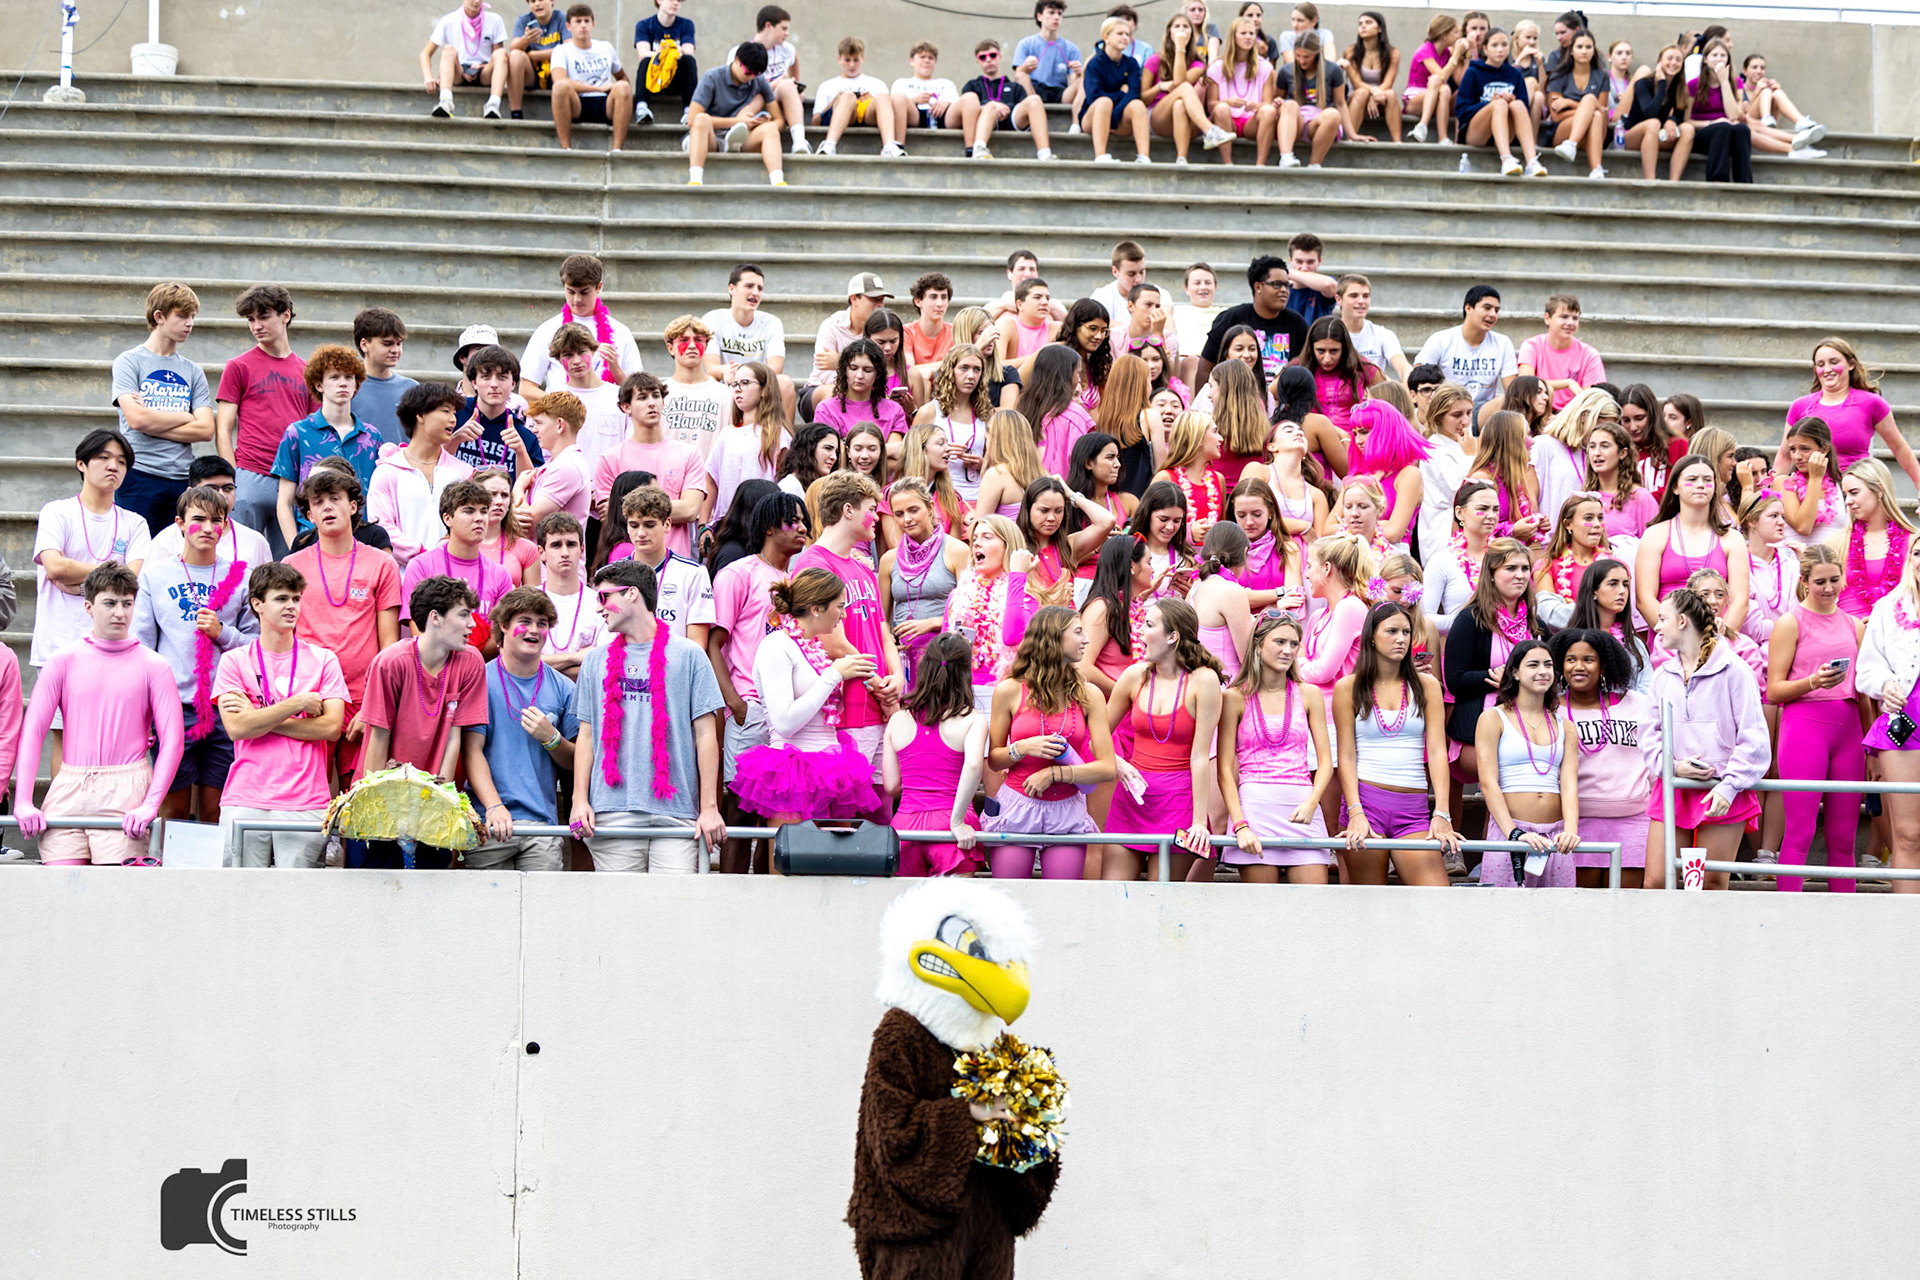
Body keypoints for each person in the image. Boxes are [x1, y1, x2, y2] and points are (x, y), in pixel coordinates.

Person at [14, 565, 183, 866]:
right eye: (110, 603)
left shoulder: (154, 665)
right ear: (89, 607)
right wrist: (23, 800)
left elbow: (173, 740)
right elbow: (34, 730)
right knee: (62, 885)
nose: (120, 612)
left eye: (127, 603)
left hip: (127, 787)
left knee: (114, 891)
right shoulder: (62, 661)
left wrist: (150, 804)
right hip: (69, 785)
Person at [570, 559, 728, 871]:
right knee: (621, 904)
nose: (599, 608)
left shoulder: (690, 655)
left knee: (673, 902)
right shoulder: (595, 661)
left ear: (631, 594)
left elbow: (706, 735)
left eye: (604, 597)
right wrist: (578, 800)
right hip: (612, 812)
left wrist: (709, 807)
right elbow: (586, 736)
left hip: (677, 814)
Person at [134, 483, 259, 824]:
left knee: (216, 810)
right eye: (198, 519)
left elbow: (255, 645)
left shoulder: (242, 576)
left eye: (216, 520)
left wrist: (222, 633)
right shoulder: (156, 576)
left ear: (225, 526)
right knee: (172, 809)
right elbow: (142, 648)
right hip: (172, 706)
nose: (207, 528)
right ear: (179, 523)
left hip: (226, 705)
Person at [212, 563, 348, 868]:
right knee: (242, 891)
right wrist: (295, 704)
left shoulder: (324, 659)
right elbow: (236, 728)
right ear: (257, 604)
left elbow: (331, 727)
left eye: (296, 599)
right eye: (281, 598)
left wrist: (258, 718)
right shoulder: (234, 661)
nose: (291, 606)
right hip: (245, 797)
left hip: (305, 798)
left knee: (298, 893)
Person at [1641, 586, 1770, 890]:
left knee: (1710, 885)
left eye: (1663, 619)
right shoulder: (1662, 675)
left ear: (1682, 621)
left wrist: (1729, 787)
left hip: (1722, 789)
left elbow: (1754, 738)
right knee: (1656, 882)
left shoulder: (1735, 670)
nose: (1656, 627)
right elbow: (1648, 734)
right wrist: (1673, 767)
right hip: (1674, 787)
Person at [279, 469, 402, 783]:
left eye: (335, 499)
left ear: (353, 506)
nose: (327, 507)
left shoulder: (382, 564)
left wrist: (374, 706)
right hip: (309, 697)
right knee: (309, 792)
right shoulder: (291, 567)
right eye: (318, 502)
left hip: (362, 698)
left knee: (359, 796)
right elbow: (282, 638)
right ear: (309, 515)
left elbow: (389, 644)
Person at [980, 606, 1117, 879]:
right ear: (1053, 638)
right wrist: (1022, 748)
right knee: (1010, 897)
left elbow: (1107, 767)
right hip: (1018, 807)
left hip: (1067, 810)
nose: (1086, 640)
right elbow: (994, 759)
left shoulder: (1089, 694)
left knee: (1062, 899)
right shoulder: (1009, 690)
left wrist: (1054, 774)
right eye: (1078, 632)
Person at [456, 588, 580, 872]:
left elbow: (576, 760)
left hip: (542, 827)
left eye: (542, 623)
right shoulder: (480, 680)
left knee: (544, 901)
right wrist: (494, 806)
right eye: (525, 621)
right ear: (503, 625)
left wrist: (552, 738)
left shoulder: (564, 687)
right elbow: (471, 751)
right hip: (489, 821)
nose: (534, 630)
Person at [1758, 545, 1860, 891]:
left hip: (1849, 730)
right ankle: (1789, 912)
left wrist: (1871, 748)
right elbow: (1774, 690)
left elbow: (1863, 693)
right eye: (1820, 582)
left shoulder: (1854, 625)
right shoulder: (1790, 622)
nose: (1829, 588)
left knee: (1843, 838)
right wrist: (1813, 681)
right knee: (1799, 832)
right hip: (1804, 727)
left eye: (1834, 579)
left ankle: (1844, 913)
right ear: (1804, 582)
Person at [1334, 601, 1457, 885]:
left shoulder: (1427, 685)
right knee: (1371, 901)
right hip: (1365, 803)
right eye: (1392, 631)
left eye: (1406, 632)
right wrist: (1355, 812)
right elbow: (1347, 755)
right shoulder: (1348, 687)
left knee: (1437, 899)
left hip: (1413, 809)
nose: (1401, 639)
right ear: (1371, 637)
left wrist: (1442, 812)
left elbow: (1437, 752)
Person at [1101, 598, 1223, 882]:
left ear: (1172, 636)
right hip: (1131, 799)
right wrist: (1118, 763)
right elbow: (1096, 736)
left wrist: (1198, 822)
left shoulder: (1203, 680)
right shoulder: (1134, 676)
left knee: (1162, 896)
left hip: (1178, 803)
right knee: (1114, 894)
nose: (1140, 632)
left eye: (1148, 625)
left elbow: (1200, 756)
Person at [1217, 610, 1333, 881]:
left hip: (1302, 807)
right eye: (1280, 642)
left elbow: (1326, 762)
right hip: (1255, 811)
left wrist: (1312, 802)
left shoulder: (1309, 693)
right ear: (1258, 644)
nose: (1288, 650)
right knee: (1262, 904)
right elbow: (1224, 770)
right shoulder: (1234, 697)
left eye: (1294, 644)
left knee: (1313, 902)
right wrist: (1240, 824)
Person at [32, 430, 151, 672]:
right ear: (81, 464)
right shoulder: (56, 512)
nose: (113, 466)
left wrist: (82, 586)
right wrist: (114, 573)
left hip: (113, 649)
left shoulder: (135, 523)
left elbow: (131, 580)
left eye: (121, 462)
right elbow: (55, 567)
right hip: (58, 647)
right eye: (103, 458)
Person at [217, 284, 317, 558]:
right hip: (250, 474)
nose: (256, 326)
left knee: (288, 563)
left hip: (291, 479)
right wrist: (232, 478)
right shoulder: (238, 366)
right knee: (237, 559)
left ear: (285, 315)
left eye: (263, 317)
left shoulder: (307, 371)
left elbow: (312, 430)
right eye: (251, 319)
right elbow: (223, 428)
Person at [1470, 638, 1579, 886]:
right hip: (1511, 831)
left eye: (1548, 665)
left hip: (1556, 837)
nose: (1543, 671)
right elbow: (1488, 783)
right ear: (1515, 672)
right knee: (1505, 906)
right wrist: (1513, 832)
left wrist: (1570, 830)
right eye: (1533, 665)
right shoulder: (1492, 717)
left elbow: (1569, 785)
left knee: (1558, 907)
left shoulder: (1566, 725)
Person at [878, 633, 987, 877]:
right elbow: (973, 766)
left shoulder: (898, 720)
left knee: (909, 902)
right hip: (951, 826)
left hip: (906, 827)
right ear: (965, 673)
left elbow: (891, 786)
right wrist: (957, 821)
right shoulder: (972, 719)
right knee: (956, 902)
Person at [111, 282, 217, 533]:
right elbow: (136, 420)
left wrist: (151, 422)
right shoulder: (129, 362)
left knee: (177, 552)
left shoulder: (193, 371)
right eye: (182, 316)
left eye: (192, 316)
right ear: (159, 316)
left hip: (182, 478)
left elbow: (205, 430)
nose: (190, 323)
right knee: (135, 550)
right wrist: (185, 416)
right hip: (138, 474)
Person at [1444, 536, 1541, 787]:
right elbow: (1454, 679)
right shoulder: (1470, 619)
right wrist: (1500, 678)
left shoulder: (1534, 623)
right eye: (1511, 568)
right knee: (1514, 772)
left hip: (1527, 722)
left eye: (1525, 568)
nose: (1520, 575)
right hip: (1480, 726)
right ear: (1491, 574)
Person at [269, 344, 385, 550]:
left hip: (362, 538)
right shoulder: (297, 433)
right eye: (334, 377)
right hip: (313, 537)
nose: (343, 383)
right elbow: (284, 501)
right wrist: (296, 547)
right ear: (319, 385)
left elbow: (380, 495)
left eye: (349, 377)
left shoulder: (372, 436)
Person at [1855, 535, 1920, 895]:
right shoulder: (1886, 608)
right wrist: (1886, 684)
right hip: (1905, 725)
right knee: (1908, 834)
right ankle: (1907, 922)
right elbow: (1866, 670)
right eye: (1918, 552)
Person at [591, 372, 710, 558]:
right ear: (626, 406)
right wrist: (672, 507)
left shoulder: (689, 454)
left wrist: (629, 508)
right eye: (642, 397)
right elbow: (612, 518)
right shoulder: (610, 459)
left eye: (656, 395)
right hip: (629, 562)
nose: (652, 403)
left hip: (677, 561)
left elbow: (690, 510)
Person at [1634, 453, 1750, 633]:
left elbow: (1740, 602)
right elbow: (1644, 599)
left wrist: (1715, 639)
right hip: (1668, 637)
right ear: (1675, 487)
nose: (1701, 485)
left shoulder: (1732, 538)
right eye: (1692, 479)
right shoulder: (1655, 535)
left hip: (1718, 637)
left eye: (1707, 480)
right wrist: (1679, 635)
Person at [1782, 338, 1918, 488]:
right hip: (1811, 491)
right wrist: (1770, 493)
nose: (1827, 369)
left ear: (1851, 364)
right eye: (1821, 364)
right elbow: (1785, 455)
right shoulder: (1800, 406)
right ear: (1815, 369)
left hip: (1855, 490)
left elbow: (1899, 448)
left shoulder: (1872, 403)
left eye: (1834, 362)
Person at [401, 479, 518, 646]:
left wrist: (469, 658)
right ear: (448, 518)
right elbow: (419, 629)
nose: (479, 518)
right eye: (469, 511)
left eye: (484, 511)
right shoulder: (421, 566)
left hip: (482, 660)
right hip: (434, 659)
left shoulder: (500, 574)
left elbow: (501, 634)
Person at [519, 255, 645, 398]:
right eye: (571, 292)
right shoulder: (548, 330)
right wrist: (562, 405)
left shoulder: (620, 332)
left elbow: (638, 393)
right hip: (562, 411)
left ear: (599, 287)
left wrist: (615, 370)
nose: (577, 299)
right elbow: (526, 388)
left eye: (584, 292)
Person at [685, 40, 788, 186]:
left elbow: (780, 121)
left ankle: (778, 181)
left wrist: (760, 123)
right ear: (737, 60)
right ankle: (695, 179)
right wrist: (737, 121)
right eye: (748, 72)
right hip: (713, 137)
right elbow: (692, 119)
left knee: (770, 129)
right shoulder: (712, 78)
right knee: (701, 119)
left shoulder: (758, 81)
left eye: (757, 74)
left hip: (742, 138)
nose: (751, 77)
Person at [1198, 256, 1310, 388]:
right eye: (1277, 284)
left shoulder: (1296, 323)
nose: (1284, 290)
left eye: (1287, 285)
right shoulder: (1232, 319)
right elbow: (1206, 368)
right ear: (1258, 287)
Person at [1454, 27, 1546, 178]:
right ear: (1485, 49)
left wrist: (1512, 101)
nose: (1500, 49)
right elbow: (1461, 111)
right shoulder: (1473, 72)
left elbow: (1524, 110)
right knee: (1499, 104)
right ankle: (1506, 160)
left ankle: (1532, 162)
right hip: (1477, 133)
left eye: (1504, 45)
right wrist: (1489, 104)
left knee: (1517, 104)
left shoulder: (1515, 74)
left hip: (1506, 132)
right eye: (1494, 45)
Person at [1296, 532, 1373, 708]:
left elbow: (1324, 672)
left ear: (1327, 568)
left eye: (1309, 566)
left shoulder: (1350, 607)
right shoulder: (1317, 616)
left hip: (1336, 711)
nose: (1306, 575)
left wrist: (1295, 663)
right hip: (1311, 707)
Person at [1415, 285, 1517, 418]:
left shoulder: (1503, 343)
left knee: (1509, 400)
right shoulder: (1441, 339)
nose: (1493, 314)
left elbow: (1512, 390)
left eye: (1496, 310)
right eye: (1487, 308)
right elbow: (1417, 377)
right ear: (1468, 308)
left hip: (1482, 411)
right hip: (1447, 407)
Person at [1838, 459, 1916, 621]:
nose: (1847, 501)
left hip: (1894, 627)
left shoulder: (1913, 540)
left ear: (1879, 490)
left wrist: (1879, 622)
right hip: (1847, 628)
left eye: (1854, 492)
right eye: (1845, 495)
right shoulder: (1840, 540)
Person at [549, 4, 634, 151]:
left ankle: (617, 150)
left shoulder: (605, 47)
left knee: (624, 87)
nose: (583, 25)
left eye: (587, 21)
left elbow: (623, 78)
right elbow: (559, 79)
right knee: (559, 87)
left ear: (593, 24)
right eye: (578, 21)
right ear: (569, 26)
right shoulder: (561, 50)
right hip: (577, 103)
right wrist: (597, 88)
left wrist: (616, 87)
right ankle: (566, 148)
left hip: (605, 104)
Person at [956, 39, 1056, 161]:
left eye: (993, 55)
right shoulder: (972, 85)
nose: (988, 60)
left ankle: (1044, 153)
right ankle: (979, 149)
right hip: (984, 120)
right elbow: (968, 112)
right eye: (983, 57)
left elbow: (1024, 110)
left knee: (1034, 100)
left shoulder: (1015, 87)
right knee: (990, 107)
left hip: (1011, 118)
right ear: (978, 61)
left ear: (1000, 57)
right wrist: (992, 106)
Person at [455, 345, 543, 481]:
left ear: (513, 384)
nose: (494, 384)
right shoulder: (454, 415)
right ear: (474, 383)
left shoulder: (525, 437)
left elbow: (533, 486)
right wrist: (455, 440)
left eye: (502, 377)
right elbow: (429, 460)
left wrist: (520, 451)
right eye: (486, 377)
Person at [1422, 479, 1499, 631]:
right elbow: (1424, 618)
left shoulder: (1505, 556)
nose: (1491, 515)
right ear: (1459, 513)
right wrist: (1471, 623)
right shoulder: (1442, 560)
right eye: (1483, 509)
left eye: (1495, 509)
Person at [655, 315, 732, 463]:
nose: (692, 345)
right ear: (670, 348)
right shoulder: (658, 394)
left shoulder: (724, 394)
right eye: (684, 340)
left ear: (706, 346)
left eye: (698, 340)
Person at [810, 36, 903, 159]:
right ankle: (829, 144)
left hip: (868, 116)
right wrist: (835, 101)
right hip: (845, 114)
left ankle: (889, 146)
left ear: (863, 58)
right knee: (848, 97)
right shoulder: (827, 86)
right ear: (839, 59)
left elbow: (888, 109)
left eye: (856, 60)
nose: (852, 65)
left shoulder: (876, 83)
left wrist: (872, 100)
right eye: (847, 60)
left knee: (882, 97)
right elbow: (815, 122)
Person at [1206, 16, 1278, 166]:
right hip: (1227, 120)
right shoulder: (1217, 67)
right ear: (1233, 36)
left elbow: (1267, 102)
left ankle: (1260, 165)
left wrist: (1257, 106)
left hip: (1251, 122)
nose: (1248, 37)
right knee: (1221, 108)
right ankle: (1228, 164)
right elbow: (1211, 105)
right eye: (1243, 33)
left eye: (1251, 34)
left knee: (1269, 111)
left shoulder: (1265, 67)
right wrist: (1228, 102)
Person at [1517, 295, 1607, 413]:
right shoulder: (1532, 346)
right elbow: (1524, 385)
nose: (1570, 323)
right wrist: (1567, 383)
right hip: (1537, 413)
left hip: (1573, 415)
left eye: (1575, 318)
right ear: (1547, 318)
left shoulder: (1590, 355)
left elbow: (1591, 400)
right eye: (1564, 317)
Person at [421, 0, 510, 118]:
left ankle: (493, 104)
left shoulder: (495, 20)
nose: (476, 1)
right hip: (459, 70)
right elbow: (425, 54)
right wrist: (428, 77)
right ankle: (445, 101)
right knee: (448, 49)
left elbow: (497, 56)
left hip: (484, 71)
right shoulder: (448, 20)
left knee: (502, 53)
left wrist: (480, 67)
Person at [1153, 411, 1227, 548]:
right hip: (1175, 558)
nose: (1221, 439)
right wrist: (1187, 533)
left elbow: (1222, 526)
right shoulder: (1165, 478)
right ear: (1197, 438)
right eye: (1215, 431)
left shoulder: (1218, 479)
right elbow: (1148, 527)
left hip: (1211, 558)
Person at [1273, 33, 1347, 168]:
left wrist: (1352, 134)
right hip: (1295, 120)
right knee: (1290, 104)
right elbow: (1277, 98)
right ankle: (1286, 157)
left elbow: (1340, 103)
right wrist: (1277, 102)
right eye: (1298, 56)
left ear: (1317, 53)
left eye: (1306, 57)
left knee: (1333, 114)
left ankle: (1314, 164)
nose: (1301, 61)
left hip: (1319, 121)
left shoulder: (1333, 70)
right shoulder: (1286, 71)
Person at [348, 306, 416, 447]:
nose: (395, 350)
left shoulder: (412, 389)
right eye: (387, 344)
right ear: (364, 345)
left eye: (399, 343)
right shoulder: (347, 387)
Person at [1739, 490, 1801, 645]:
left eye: (1783, 517)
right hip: (1755, 653)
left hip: (1796, 648)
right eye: (1774, 516)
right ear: (1751, 521)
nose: (1782, 522)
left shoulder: (1793, 563)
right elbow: (1753, 629)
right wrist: (1792, 628)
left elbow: (1805, 617)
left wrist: (1806, 566)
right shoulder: (1738, 566)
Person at [1583, 417, 1656, 542]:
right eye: (1592, 446)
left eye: (1605, 446)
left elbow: (1653, 544)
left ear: (1623, 453)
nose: (1596, 453)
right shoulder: (1583, 496)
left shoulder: (1640, 498)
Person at [631, 0, 697, 125]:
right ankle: (641, 107)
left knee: (688, 61)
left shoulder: (686, 25)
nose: (676, 3)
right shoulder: (644, 25)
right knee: (646, 61)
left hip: (675, 80)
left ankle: (689, 110)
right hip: (654, 80)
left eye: (679, 0)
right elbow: (643, 53)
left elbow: (688, 52)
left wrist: (674, 51)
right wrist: (665, 53)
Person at [1013, 0, 1085, 110]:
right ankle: (1034, 109)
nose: (1056, 17)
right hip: (1034, 91)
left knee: (1084, 79)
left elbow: (1074, 82)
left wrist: (1079, 73)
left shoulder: (1071, 48)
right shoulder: (1026, 44)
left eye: (1059, 14)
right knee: (1021, 75)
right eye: (1051, 13)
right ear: (1039, 16)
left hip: (1060, 93)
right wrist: (1025, 68)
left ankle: (1076, 120)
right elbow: (1018, 74)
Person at [506, 0, 567, 119]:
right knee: (515, 55)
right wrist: (526, 39)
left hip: (556, 72)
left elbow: (569, 48)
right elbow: (513, 48)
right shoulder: (524, 20)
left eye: (541, 0)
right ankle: (516, 113)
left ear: (552, 1)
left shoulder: (562, 18)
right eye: (533, 1)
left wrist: (534, 55)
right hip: (532, 74)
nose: (537, 4)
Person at [1404, 13, 1458, 142]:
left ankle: (1443, 138)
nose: (1458, 36)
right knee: (1436, 79)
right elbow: (1442, 76)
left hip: (1438, 96)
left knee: (1445, 89)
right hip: (1416, 98)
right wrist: (1456, 55)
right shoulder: (1425, 50)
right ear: (1444, 35)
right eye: (1455, 32)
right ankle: (1422, 125)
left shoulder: (1446, 52)